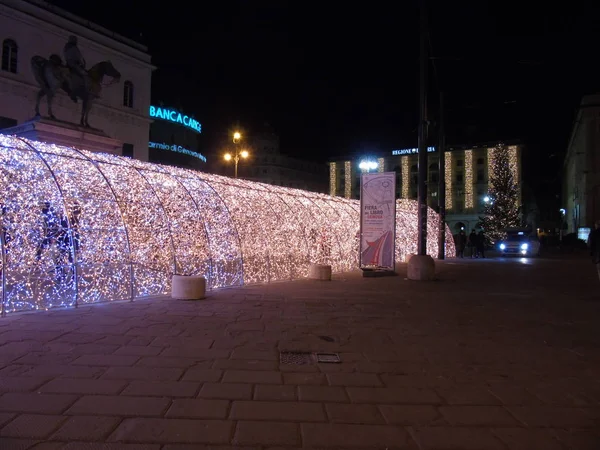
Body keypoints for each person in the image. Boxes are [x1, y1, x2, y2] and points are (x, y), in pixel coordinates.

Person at [63, 35, 87, 101]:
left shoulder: (66, 47)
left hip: (69, 63)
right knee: (84, 74)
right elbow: (79, 57)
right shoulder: (73, 47)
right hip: (73, 64)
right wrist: (82, 63)